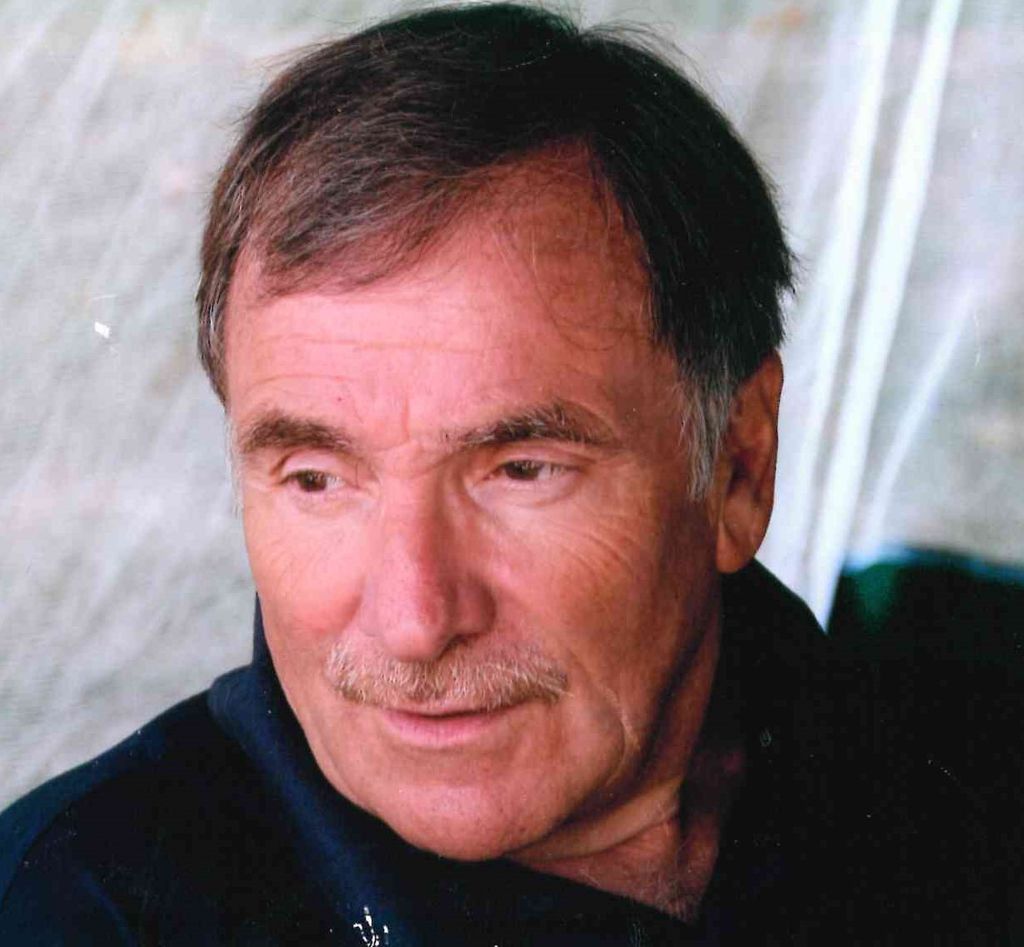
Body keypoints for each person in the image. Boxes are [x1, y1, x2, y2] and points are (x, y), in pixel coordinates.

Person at [0, 4, 1012, 944]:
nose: (415, 618)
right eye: (316, 479)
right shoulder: (73, 912)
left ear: (739, 465)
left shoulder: (970, 811)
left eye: (520, 469)